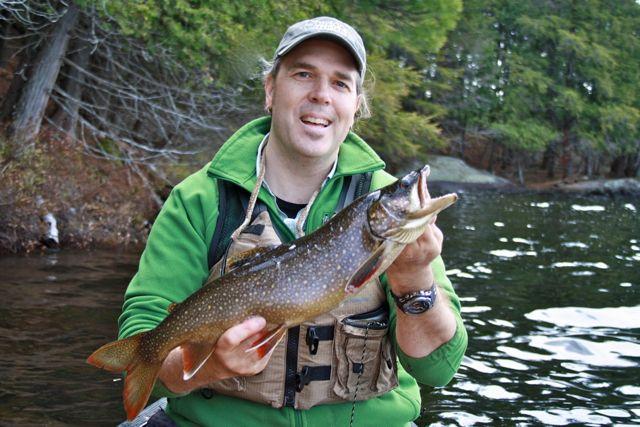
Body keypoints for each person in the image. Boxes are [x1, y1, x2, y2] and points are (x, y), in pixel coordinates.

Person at [118, 16, 467, 427]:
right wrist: (209, 366)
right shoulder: (199, 200)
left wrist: (415, 278)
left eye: (340, 83)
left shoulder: (387, 205)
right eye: (304, 75)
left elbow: (438, 371)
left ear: (356, 106)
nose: (321, 95)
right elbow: (144, 339)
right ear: (271, 89)